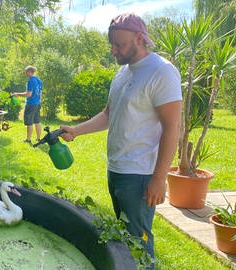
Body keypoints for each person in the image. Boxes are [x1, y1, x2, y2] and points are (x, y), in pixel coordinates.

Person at [60, 13, 182, 268]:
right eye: (112, 44)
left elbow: (172, 128)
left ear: (140, 38)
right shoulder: (122, 73)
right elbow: (108, 115)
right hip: (116, 169)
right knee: (125, 240)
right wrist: (76, 130)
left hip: (140, 175)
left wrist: (159, 178)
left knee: (139, 244)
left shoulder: (162, 71)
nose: (114, 50)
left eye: (120, 44)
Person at [11, 65, 43, 143]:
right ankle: (39, 138)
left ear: (29, 72)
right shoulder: (39, 81)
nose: (25, 73)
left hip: (31, 104)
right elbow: (41, 94)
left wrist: (17, 94)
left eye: (26, 72)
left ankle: (28, 139)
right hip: (37, 104)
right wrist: (38, 102)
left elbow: (29, 94)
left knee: (29, 122)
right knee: (37, 121)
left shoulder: (30, 81)